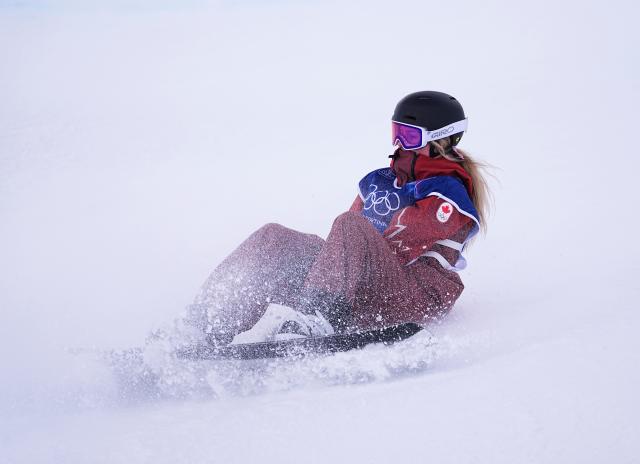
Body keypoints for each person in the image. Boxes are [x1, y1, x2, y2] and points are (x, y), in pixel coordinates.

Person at [178, 91, 489, 347]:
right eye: (397, 133)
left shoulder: (449, 192)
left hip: (413, 294)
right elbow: (348, 247)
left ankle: (320, 319)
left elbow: (394, 242)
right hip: (363, 286)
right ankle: (206, 323)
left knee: (350, 225)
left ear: (440, 139)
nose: (398, 144)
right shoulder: (379, 181)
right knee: (275, 238)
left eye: (409, 136)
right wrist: (301, 265)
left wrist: (333, 272)